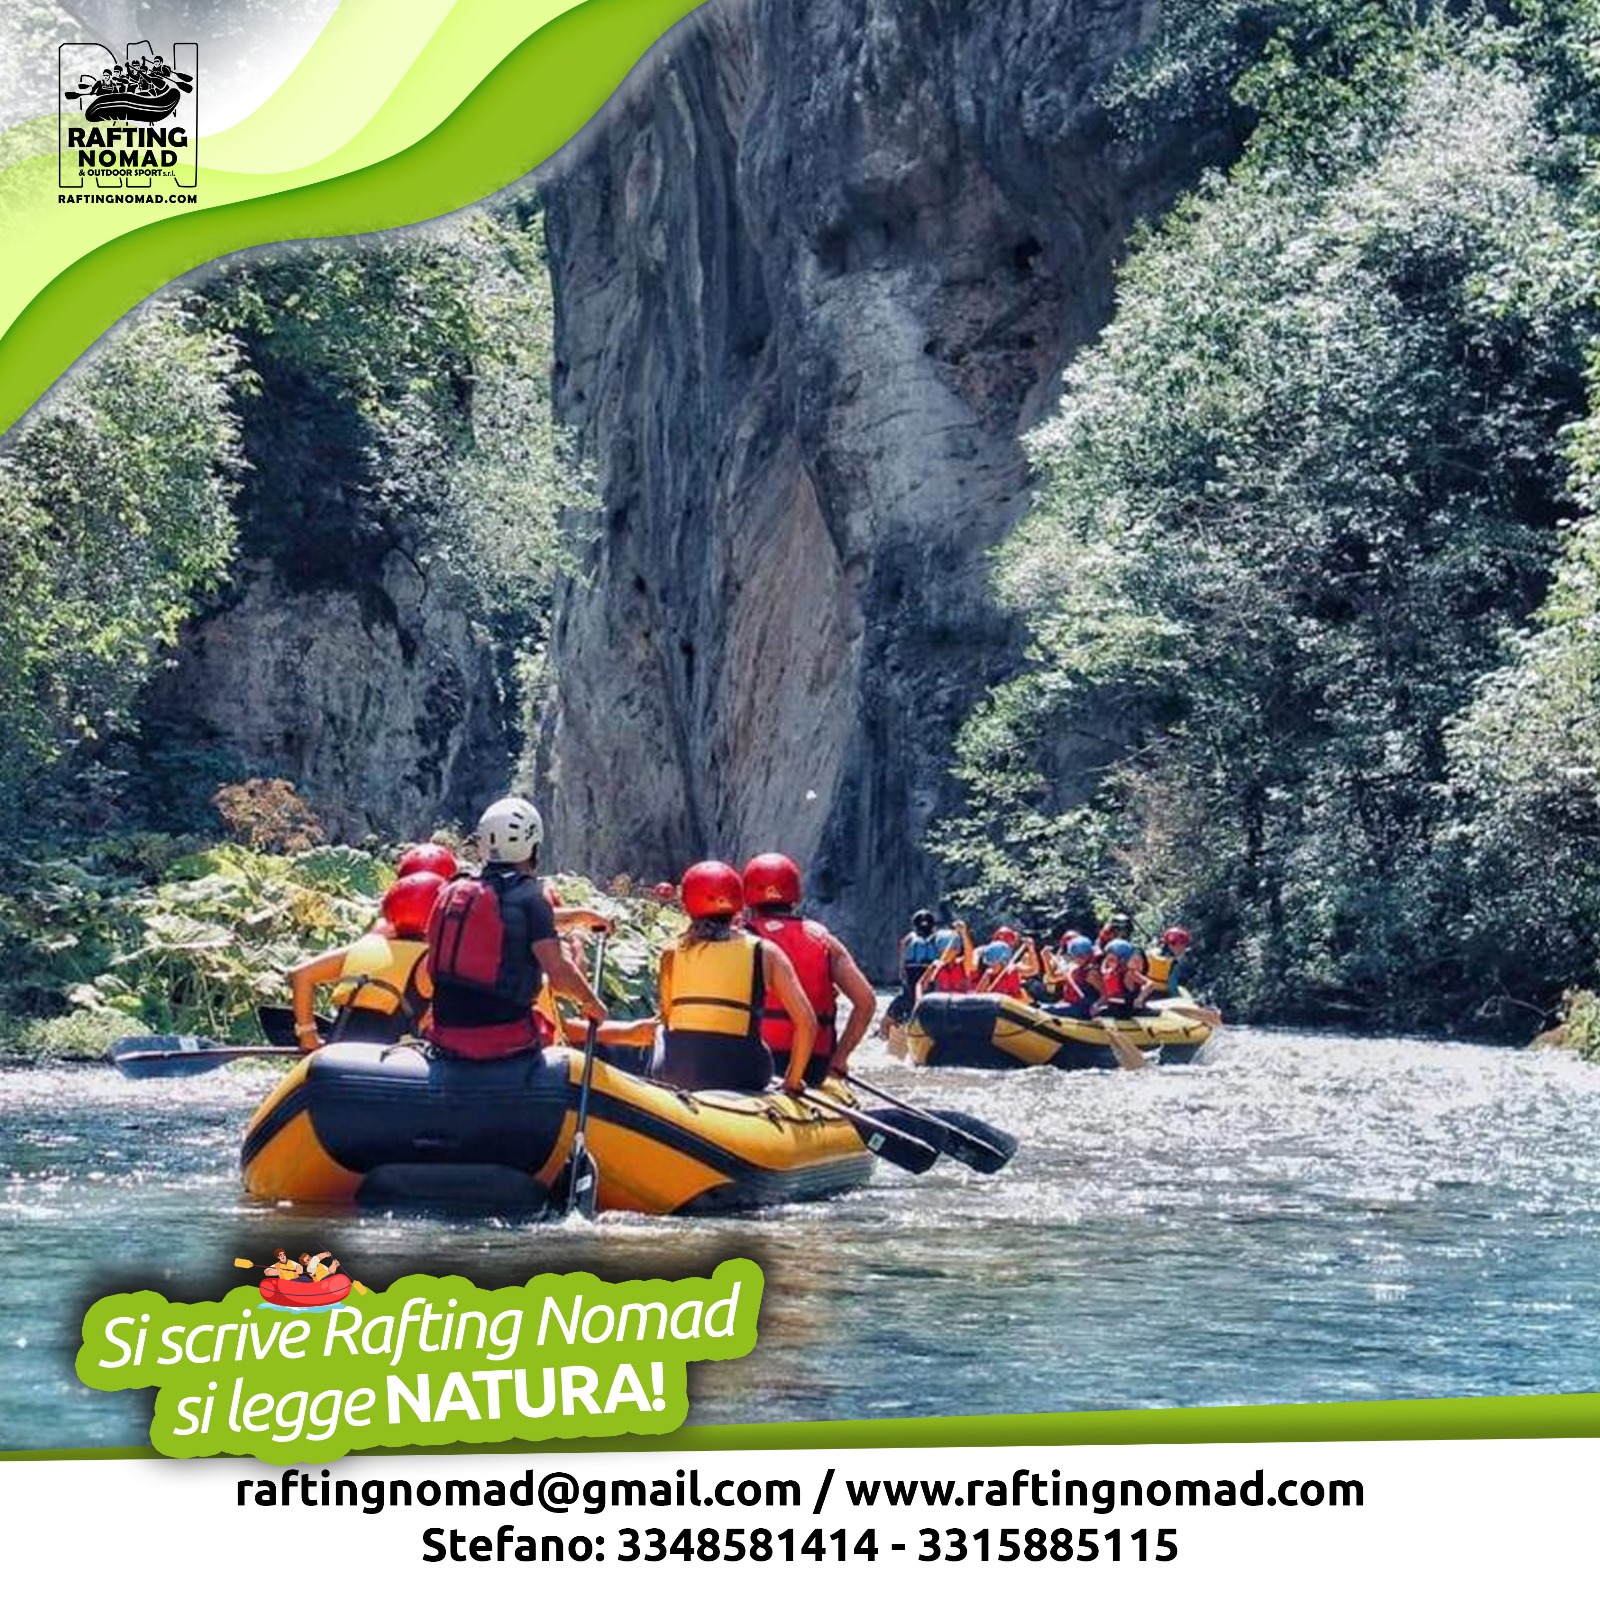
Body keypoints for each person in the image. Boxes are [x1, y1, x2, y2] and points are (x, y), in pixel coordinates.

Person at [423, 797, 606, 1060]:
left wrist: (580, 916)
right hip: (506, 1038)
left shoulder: (452, 891)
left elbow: (510, 920)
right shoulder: (531, 896)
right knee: (548, 1030)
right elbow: (560, 976)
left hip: (444, 1034)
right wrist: (592, 1003)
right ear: (532, 847)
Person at [657, 860, 817, 1094]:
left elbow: (667, 1017)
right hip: (743, 1071)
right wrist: (792, 1081)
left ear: (687, 906)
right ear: (738, 904)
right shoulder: (765, 951)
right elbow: (807, 1023)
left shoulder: (670, 952)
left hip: (679, 1070)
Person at [742, 852, 877, 1087]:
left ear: (747, 897)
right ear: (794, 896)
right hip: (814, 1066)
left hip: (753, 1062)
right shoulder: (824, 940)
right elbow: (866, 1002)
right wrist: (840, 1058)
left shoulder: (739, 940)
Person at [287, 871, 446, 1050]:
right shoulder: (434, 960)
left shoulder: (364, 947)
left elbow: (301, 974)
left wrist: (307, 1035)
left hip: (337, 1052)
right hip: (393, 1061)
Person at [887, 909, 940, 1025]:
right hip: (916, 970)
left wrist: (901, 969)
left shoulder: (932, 937)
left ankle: (914, 1020)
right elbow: (902, 948)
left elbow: (902, 947)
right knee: (911, 996)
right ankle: (904, 1021)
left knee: (917, 996)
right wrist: (902, 970)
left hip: (923, 970)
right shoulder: (913, 937)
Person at [1045, 935, 1100, 1018]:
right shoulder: (1074, 967)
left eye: (1081, 956)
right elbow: (1052, 978)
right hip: (1070, 1004)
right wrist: (1045, 958)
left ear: (1088, 955)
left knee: (1046, 1010)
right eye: (1076, 956)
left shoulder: (1092, 973)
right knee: (1040, 1007)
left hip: (1083, 1009)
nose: (1077, 959)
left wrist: (1096, 1006)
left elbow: (1106, 994)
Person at [1145, 927, 1193, 997]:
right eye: (1182, 945)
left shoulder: (1150, 953)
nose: (1183, 949)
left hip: (1145, 992)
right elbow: (1172, 988)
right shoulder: (1173, 964)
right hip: (1160, 997)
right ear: (1172, 945)